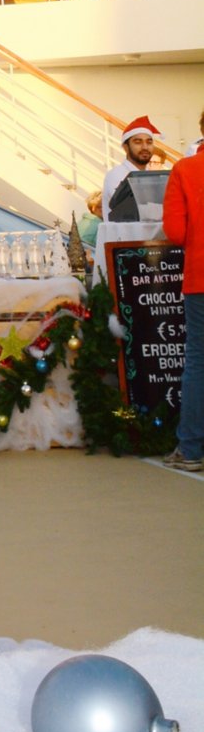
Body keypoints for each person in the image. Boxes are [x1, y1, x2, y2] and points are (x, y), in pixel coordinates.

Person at [161, 113, 204, 471]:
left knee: (199, 361)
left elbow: (175, 232)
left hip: (200, 278)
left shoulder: (186, 169)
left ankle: (191, 450)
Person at [95, 115, 170, 279]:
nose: (145, 147)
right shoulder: (116, 175)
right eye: (138, 142)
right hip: (124, 255)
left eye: (149, 142)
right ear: (125, 147)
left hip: (148, 254)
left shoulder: (152, 177)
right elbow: (137, 212)